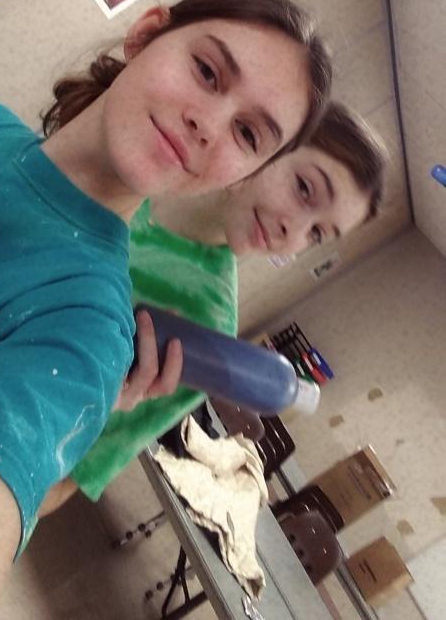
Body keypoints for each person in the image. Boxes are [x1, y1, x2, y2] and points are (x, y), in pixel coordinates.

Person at [0, 0, 332, 620]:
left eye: (249, 134)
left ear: (242, 174)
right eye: (208, 71)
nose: (210, 123)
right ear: (146, 33)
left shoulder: (87, 329)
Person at [38, 98, 386, 518]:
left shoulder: (206, 326)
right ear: (269, 141)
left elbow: (65, 481)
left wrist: (100, 400)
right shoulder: (140, 156)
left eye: (316, 234)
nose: (292, 230)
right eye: (304, 188)